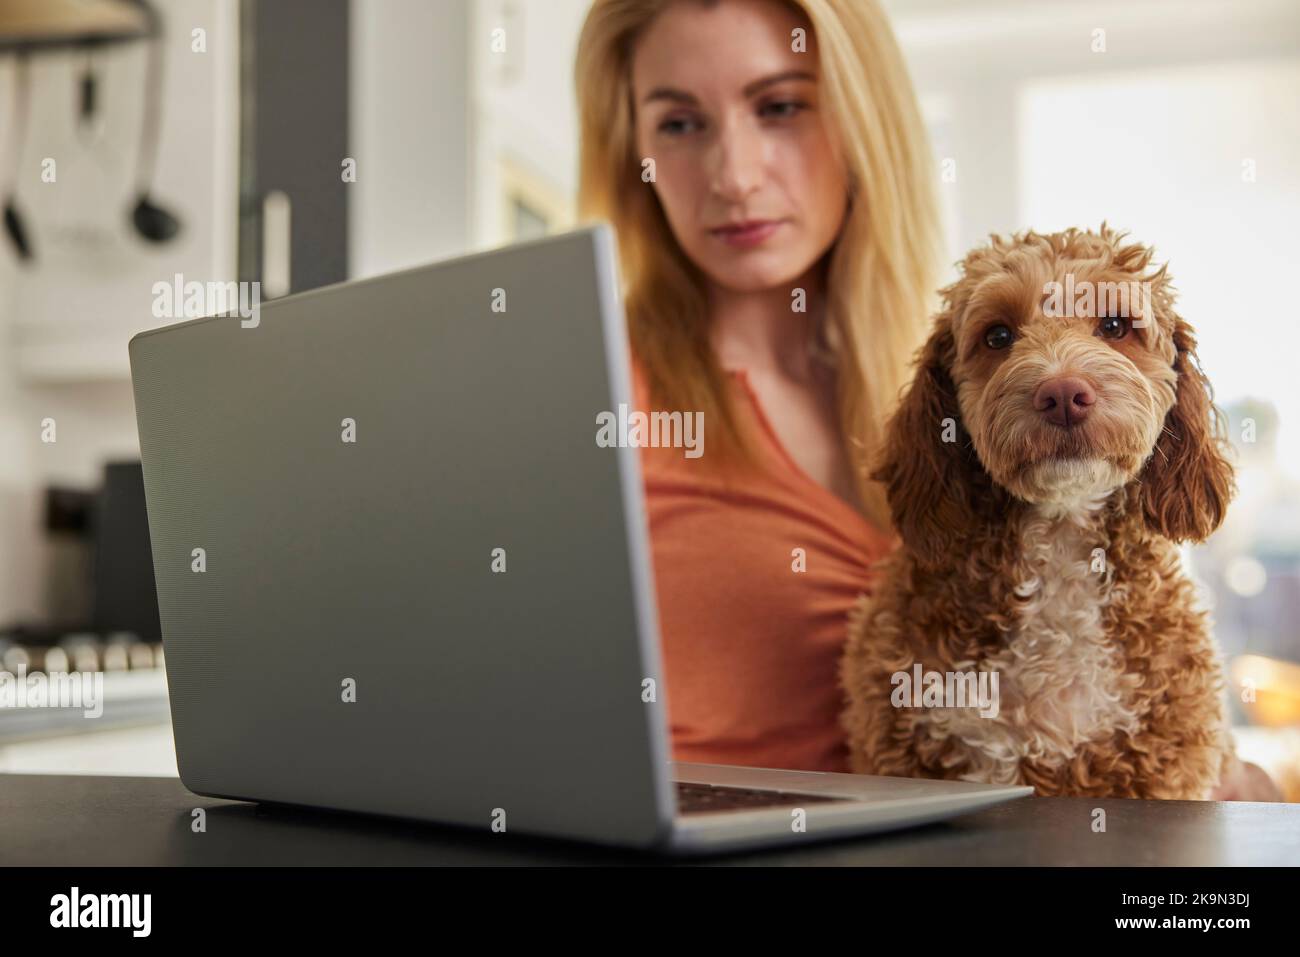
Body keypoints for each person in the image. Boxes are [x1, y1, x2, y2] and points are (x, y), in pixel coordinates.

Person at [572, 0, 1281, 800]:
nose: (734, 176)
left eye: (779, 106)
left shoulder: (941, 371)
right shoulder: (581, 392)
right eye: (678, 124)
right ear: (631, 147)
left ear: (862, 115)